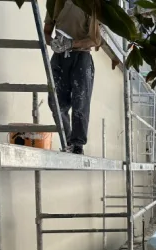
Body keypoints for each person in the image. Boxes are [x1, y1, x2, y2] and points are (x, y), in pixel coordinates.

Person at [44, 0, 101, 155]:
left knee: (80, 101)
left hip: (82, 57)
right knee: (55, 101)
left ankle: (77, 144)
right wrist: (53, 42)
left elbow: (96, 40)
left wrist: (72, 44)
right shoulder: (55, 4)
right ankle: (68, 139)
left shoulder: (89, 5)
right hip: (59, 57)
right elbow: (47, 32)